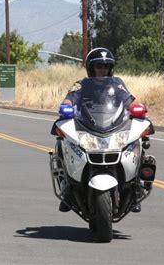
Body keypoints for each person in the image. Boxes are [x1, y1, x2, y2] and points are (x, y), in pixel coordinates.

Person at [59, 47, 141, 213]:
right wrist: (66, 106)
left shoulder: (117, 84)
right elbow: (69, 99)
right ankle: (67, 187)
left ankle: (135, 188)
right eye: (99, 66)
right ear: (91, 68)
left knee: (137, 142)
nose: (102, 70)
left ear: (110, 68)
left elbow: (128, 100)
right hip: (87, 126)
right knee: (62, 142)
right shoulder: (80, 85)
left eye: (106, 66)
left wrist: (137, 108)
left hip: (113, 126)